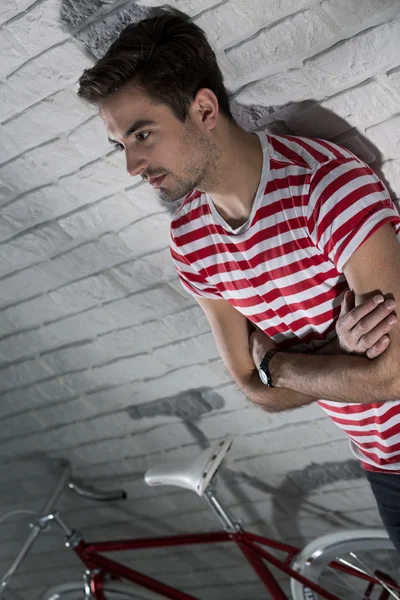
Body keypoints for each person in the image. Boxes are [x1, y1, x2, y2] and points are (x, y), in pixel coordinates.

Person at [77, 9, 400, 550]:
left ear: (203, 109)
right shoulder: (190, 243)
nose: (133, 165)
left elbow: (390, 378)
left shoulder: (324, 187)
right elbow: (254, 392)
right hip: (381, 467)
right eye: (122, 145)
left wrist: (282, 363)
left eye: (143, 134)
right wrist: (337, 363)